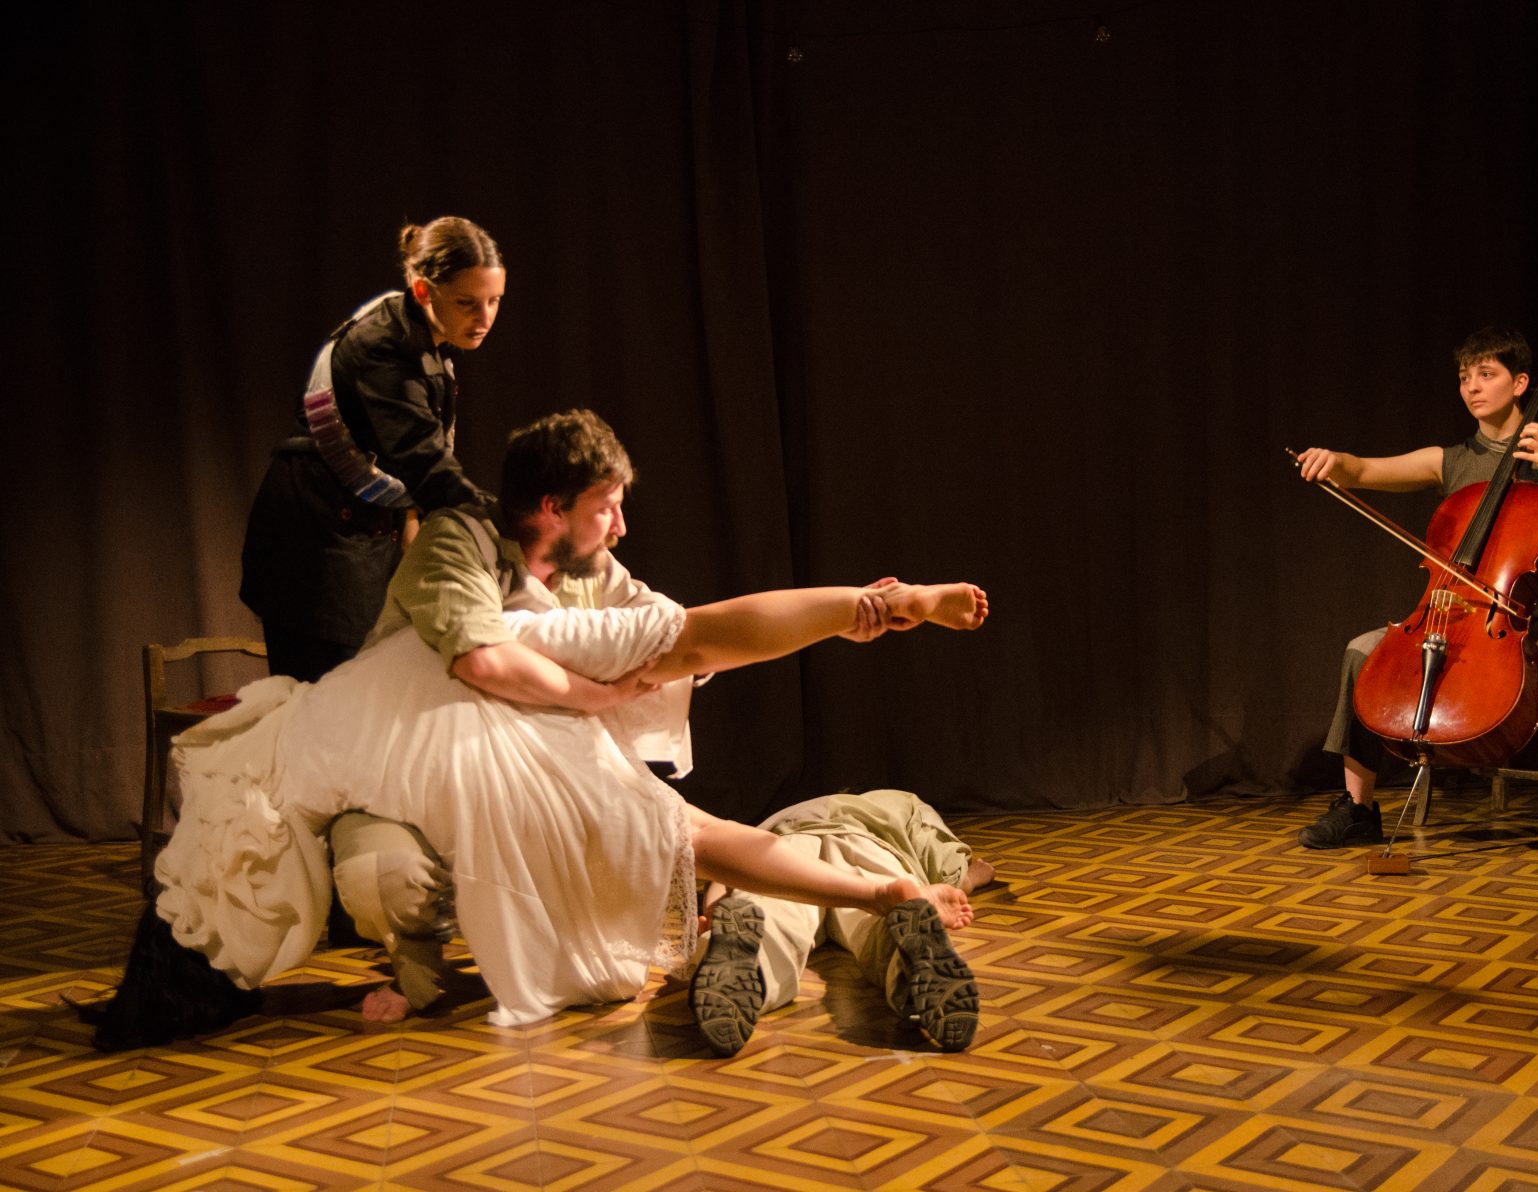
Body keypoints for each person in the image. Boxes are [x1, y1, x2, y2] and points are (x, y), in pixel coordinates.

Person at [91, 410, 989, 1050]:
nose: (622, 524)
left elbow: (690, 632)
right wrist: (880, 605)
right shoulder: (464, 551)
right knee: (417, 866)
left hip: (484, 740)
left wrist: (871, 609)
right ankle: (410, 970)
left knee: (677, 831)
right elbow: (497, 662)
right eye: (608, 506)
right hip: (411, 743)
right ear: (555, 508)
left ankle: (879, 897)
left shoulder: (593, 582)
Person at [1292, 327, 1538, 870]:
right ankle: (1359, 808)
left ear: (1522, 383)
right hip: (1462, 615)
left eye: (1487, 374)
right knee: (1364, 651)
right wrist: (1333, 460)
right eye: (1464, 377)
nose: (1472, 387)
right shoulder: (1450, 460)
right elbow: (1363, 470)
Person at [240, 215, 504, 682]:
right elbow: (421, 457)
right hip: (316, 540)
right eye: (468, 303)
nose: (484, 318)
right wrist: (509, 529)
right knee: (324, 704)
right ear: (423, 291)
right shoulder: (383, 346)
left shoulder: (432, 336)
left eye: (494, 301)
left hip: (363, 532)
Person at [691, 789, 997, 1056]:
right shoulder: (905, 804)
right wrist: (971, 876)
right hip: (863, 846)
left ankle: (749, 969)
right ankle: (907, 974)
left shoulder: (773, 818)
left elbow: (727, 860)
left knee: (769, 914)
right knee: (880, 919)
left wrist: (716, 906)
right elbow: (944, 866)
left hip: (786, 855)